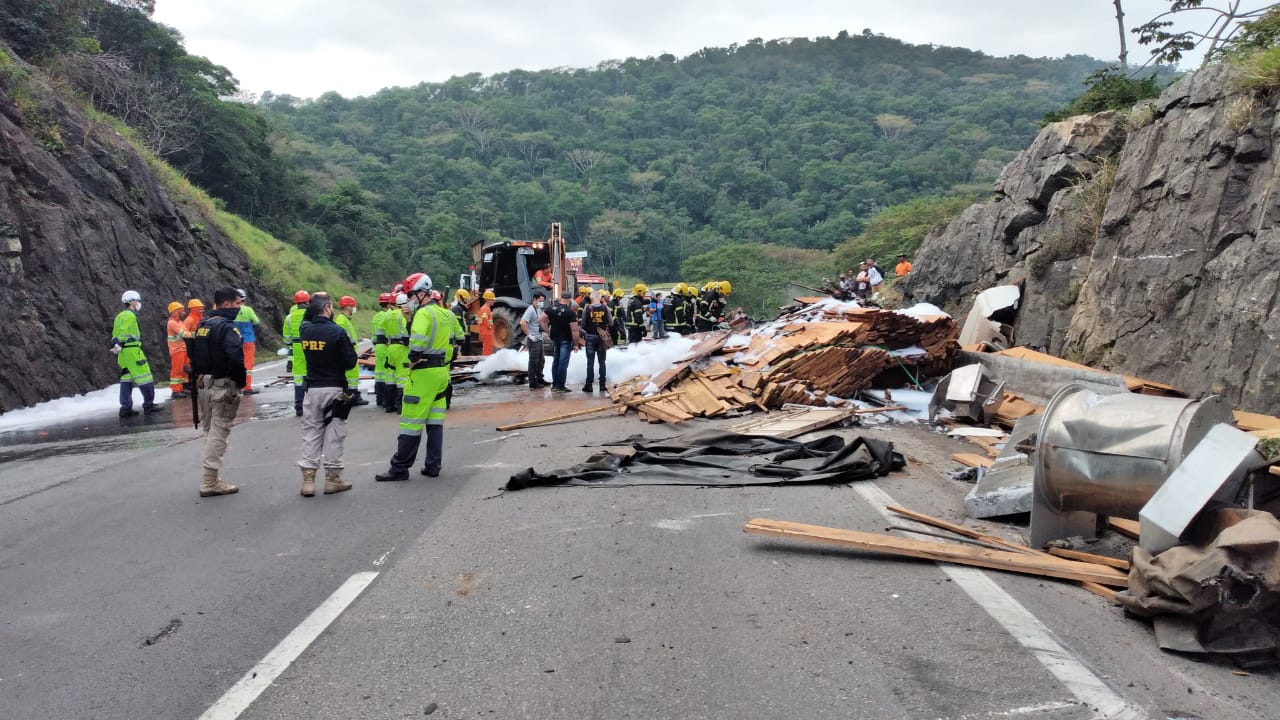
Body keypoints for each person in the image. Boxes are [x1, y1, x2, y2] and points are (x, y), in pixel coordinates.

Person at [375, 273, 462, 481]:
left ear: (422, 294)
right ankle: (433, 466)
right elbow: (457, 343)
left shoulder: (423, 315)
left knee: (410, 422)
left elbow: (416, 345)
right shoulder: (445, 314)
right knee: (435, 421)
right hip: (442, 373)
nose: (409, 301)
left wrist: (412, 361)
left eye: (411, 296)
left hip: (423, 375)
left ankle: (399, 468)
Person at [297, 293, 358, 497]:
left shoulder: (305, 330)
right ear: (328, 308)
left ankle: (308, 480)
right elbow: (350, 362)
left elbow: (307, 318)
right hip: (334, 389)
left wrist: (314, 303)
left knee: (311, 433)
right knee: (334, 434)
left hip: (312, 389)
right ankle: (333, 478)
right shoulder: (337, 332)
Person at [189, 287, 246, 497]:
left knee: (209, 430)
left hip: (203, 383)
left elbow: (194, 355)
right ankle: (210, 480)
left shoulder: (204, 325)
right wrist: (240, 382)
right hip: (222, 385)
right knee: (219, 430)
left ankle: (211, 477)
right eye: (238, 303)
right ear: (227, 304)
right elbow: (235, 357)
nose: (240, 307)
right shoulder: (227, 328)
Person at [113, 290, 162, 417]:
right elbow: (125, 332)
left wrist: (116, 344)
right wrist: (122, 342)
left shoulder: (120, 316)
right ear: (131, 301)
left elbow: (115, 334)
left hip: (123, 353)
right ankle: (149, 404)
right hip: (132, 350)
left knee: (126, 378)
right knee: (144, 376)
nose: (138, 303)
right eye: (137, 300)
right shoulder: (130, 316)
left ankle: (125, 407)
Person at [546, 289, 581, 393]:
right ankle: (560, 386)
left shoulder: (551, 308)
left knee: (556, 361)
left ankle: (554, 384)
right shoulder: (570, 312)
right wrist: (575, 344)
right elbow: (575, 331)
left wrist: (548, 332)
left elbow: (541, 320)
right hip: (565, 340)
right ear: (569, 299)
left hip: (555, 338)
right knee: (563, 363)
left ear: (561, 298)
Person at [282, 290, 310, 416]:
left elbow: (286, 336)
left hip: (297, 348)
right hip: (310, 346)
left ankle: (299, 407)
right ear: (308, 301)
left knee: (298, 378)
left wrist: (290, 344)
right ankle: (313, 406)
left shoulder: (289, 317)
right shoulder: (311, 315)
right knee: (311, 375)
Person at [382, 292, 410, 414]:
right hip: (401, 347)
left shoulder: (388, 315)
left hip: (390, 347)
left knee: (390, 376)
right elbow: (405, 332)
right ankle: (400, 406)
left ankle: (389, 405)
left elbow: (382, 328)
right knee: (402, 377)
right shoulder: (403, 315)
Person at [580, 290, 611, 392]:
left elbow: (583, 324)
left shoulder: (587, 308)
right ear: (600, 298)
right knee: (602, 362)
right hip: (602, 339)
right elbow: (611, 322)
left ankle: (589, 385)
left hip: (590, 337)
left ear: (592, 298)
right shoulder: (605, 308)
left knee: (590, 362)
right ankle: (602, 385)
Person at [233, 289, 261, 394]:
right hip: (248, 340)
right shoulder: (248, 310)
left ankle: (237, 386)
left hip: (235, 340)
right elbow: (257, 322)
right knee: (248, 364)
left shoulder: (231, 310)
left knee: (237, 363)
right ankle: (247, 387)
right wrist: (252, 332)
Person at [520, 289, 547, 389]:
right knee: (533, 361)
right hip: (533, 339)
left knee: (541, 360)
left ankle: (540, 378)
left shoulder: (538, 309)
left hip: (539, 338)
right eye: (540, 301)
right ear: (534, 299)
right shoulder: (530, 310)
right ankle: (533, 382)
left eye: (543, 301)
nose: (542, 303)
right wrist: (529, 334)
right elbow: (522, 322)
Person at [371, 292, 392, 407]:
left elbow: (374, 335)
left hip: (378, 346)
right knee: (387, 372)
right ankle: (385, 399)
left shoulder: (376, 316)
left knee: (379, 372)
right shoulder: (388, 315)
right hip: (386, 345)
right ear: (389, 304)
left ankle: (379, 398)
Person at [165, 301, 189, 399]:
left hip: (182, 349)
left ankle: (181, 388)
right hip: (177, 350)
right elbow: (184, 334)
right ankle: (176, 390)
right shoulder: (172, 323)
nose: (184, 312)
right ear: (175, 311)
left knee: (184, 370)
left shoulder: (180, 322)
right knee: (177, 371)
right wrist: (194, 335)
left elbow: (186, 333)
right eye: (181, 310)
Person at [451, 289, 473, 357]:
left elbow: (465, 321)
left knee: (467, 355)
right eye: (466, 299)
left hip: (466, 336)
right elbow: (458, 324)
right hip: (462, 337)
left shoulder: (463, 309)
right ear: (461, 298)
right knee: (462, 355)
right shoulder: (457, 309)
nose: (467, 300)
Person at [476, 289, 495, 355]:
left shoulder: (484, 308)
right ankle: (486, 363)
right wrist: (489, 327)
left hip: (485, 331)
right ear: (488, 300)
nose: (494, 301)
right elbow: (484, 319)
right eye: (492, 299)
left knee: (486, 349)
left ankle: (485, 362)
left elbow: (479, 320)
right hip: (487, 332)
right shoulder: (486, 308)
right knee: (487, 350)